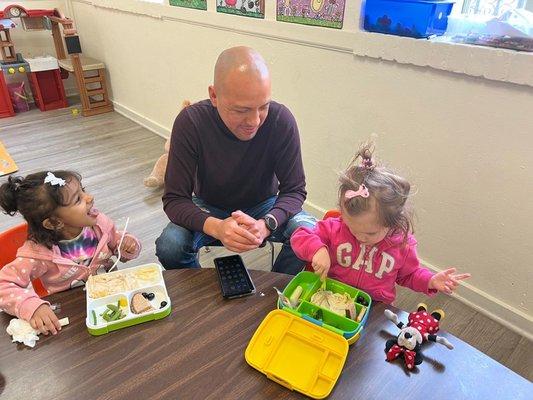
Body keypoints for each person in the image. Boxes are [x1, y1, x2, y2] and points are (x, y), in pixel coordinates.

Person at [155, 46, 315, 274]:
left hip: (265, 205)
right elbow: (175, 199)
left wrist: (267, 224)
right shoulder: (191, 123)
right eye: (241, 110)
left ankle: (276, 291)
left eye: (263, 107)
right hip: (209, 205)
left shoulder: (281, 120)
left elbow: (295, 191)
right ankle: (203, 286)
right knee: (170, 246)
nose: (255, 121)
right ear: (214, 96)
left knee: (311, 234)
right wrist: (218, 227)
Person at [290, 143, 470, 303]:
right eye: (353, 229)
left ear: (393, 224)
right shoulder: (335, 228)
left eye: (371, 233)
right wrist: (318, 249)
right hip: (330, 298)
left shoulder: (401, 246)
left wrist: (430, 280)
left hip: (374, 307)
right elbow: (300, 235)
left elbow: (409, 275)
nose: (361, 238)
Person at [0, 170, 141, 335]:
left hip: (112, 298)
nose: (90, 198)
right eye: (78, 199)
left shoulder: (100, 224)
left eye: (83, 190)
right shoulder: (38, 253)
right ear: (54, 222)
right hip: (74, 316)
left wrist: (128, 245)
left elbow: (119, 244)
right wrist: (31, 306)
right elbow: (3, 285)